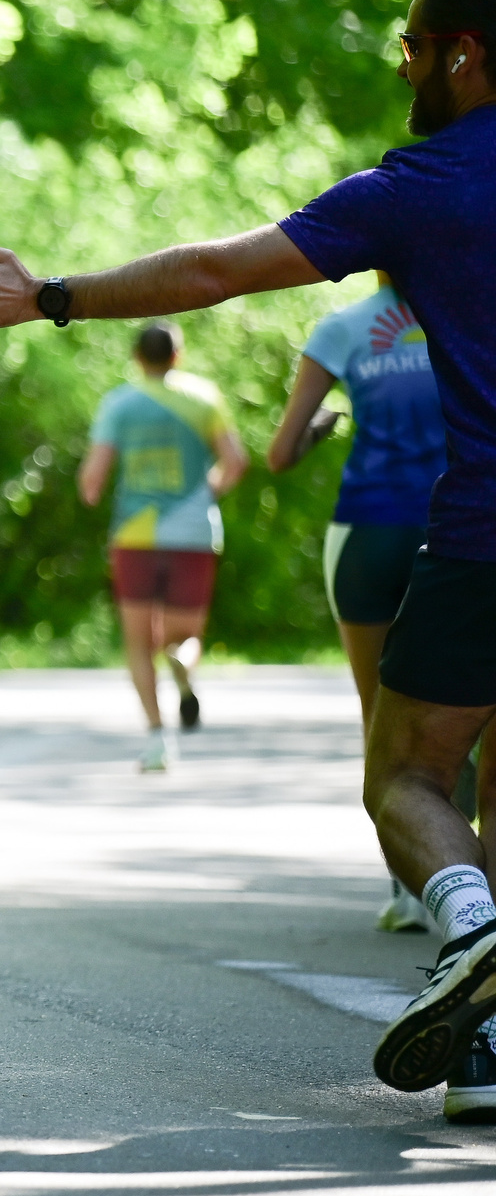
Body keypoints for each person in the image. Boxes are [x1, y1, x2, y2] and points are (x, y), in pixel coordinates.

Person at [0, 0, 496, 1117]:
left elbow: (218, 270)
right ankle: (481, 1053)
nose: (404, 66)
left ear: (462, 56)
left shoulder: (418, 185)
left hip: (483, 529)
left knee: (408, 778)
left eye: (414, 48)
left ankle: (470, 934)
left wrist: (49, 295)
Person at [269, 273, 452, 931]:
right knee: (463, 714)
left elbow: (281, 454)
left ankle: (410, 893)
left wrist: (322, 427)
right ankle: (469, 887)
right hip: (458, 531)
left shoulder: (340, 330)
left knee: (380, 716)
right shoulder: (466, 308)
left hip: (367, 533)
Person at [79, 320, 247, 772]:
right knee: (185, 636)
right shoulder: (204, 399)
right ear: (178, 355)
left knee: (138, 642)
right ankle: (181, 662)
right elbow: (236, 463)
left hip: (135, 534)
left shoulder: (119, 404)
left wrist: (94, 492)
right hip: (193, 532)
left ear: (138, 358)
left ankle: (157, 740)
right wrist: (207, 490)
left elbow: (91, 478)